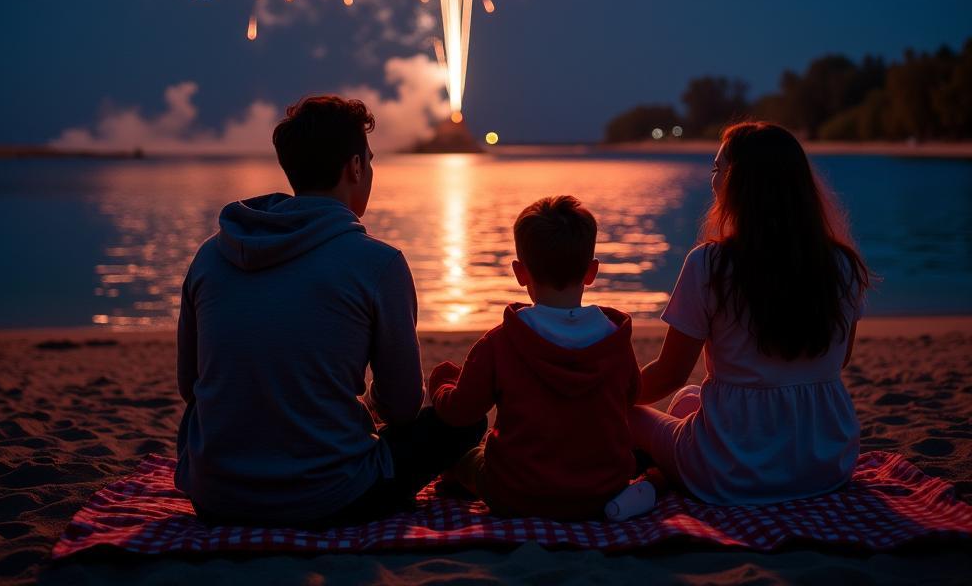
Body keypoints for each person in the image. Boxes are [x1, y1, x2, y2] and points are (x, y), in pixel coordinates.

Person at [175, 95, 485, 526]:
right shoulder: (378, 263)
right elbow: (402, 407)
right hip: (333, 499)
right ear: (355, 167)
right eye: (370, 162)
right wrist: (368, 407)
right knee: (464, 422)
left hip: (214, 497)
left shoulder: (211, 255)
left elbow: (190, 387)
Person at [629, 121, 870, 505]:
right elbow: (839, 361)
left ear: (739, 184)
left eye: (716, 170)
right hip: (826, 463)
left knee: (632, 417)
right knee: (689, 401)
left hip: (732, 472)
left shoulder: (711, 264)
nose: (712, 181)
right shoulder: (842, 265)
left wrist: (607, 397)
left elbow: (668, 374)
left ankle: (654, 477)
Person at [428, 195, 644, 520]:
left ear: (520, 272)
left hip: (515, 494)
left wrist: (441, 385)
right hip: (601, 493)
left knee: (462, 455)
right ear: (591, 271)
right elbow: (631, 395)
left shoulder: (500, 343)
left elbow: (461, 411)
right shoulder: (614, 341)